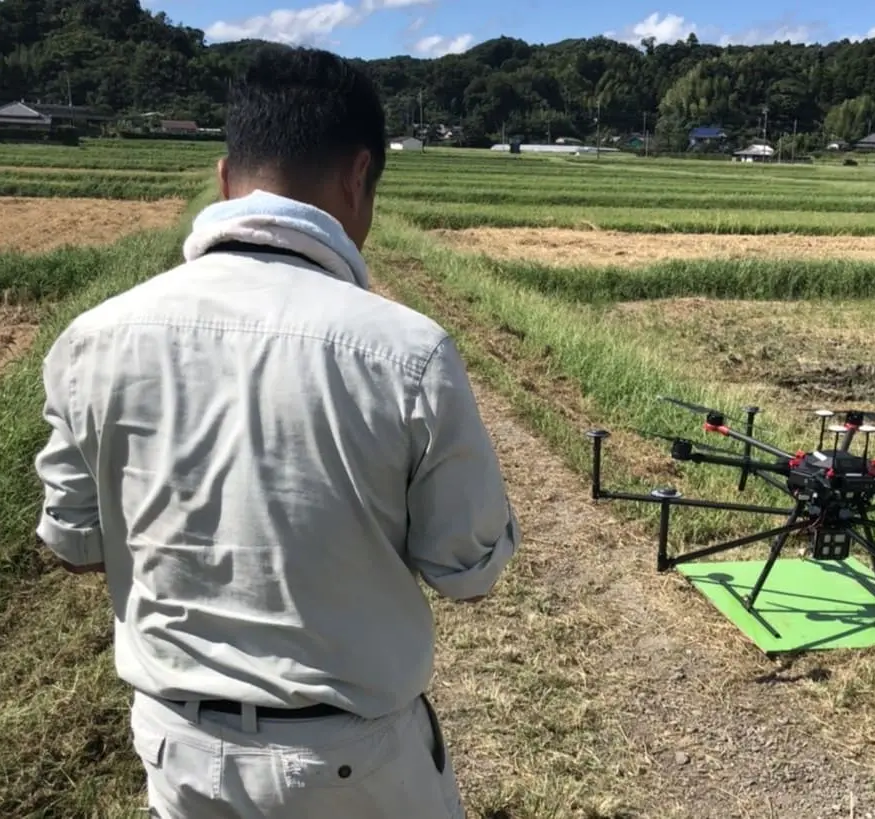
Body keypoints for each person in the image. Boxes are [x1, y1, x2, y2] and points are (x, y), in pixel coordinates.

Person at [32, 44, 520, 818]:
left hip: (178, 749)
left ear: (227, 177)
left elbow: (73, 545)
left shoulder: (92, 339)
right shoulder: (407, 352)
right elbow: (468, 571)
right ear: (360, 177)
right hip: (353, 762)